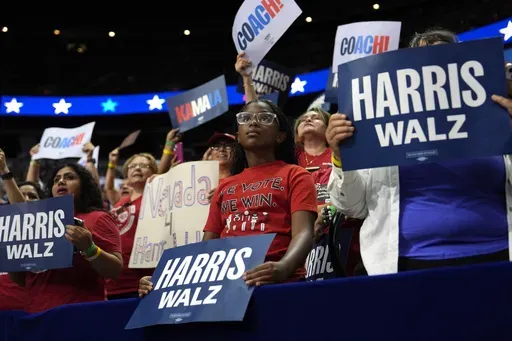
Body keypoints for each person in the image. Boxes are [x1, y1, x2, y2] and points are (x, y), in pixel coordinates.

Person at [326, 28, 512, 275]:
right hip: (408, 265)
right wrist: (341, 156)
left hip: (499, 255)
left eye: (444, 55)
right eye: (422, 56)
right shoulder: (378, 123)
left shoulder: (494, 115)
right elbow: (353, 207)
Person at [138, 99, 317, 296]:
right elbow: (207, 247)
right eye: (245, 118)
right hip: (227, 288)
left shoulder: (296, 175)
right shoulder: (225, 186)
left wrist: (284, 267)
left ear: (281, 136)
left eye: (265, 118)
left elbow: (304, 233)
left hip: (280, 284)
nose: (254, 122)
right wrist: (163, 279)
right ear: (238, 137)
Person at [8, 163, 122, 313]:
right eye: (56, 180)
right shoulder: (37, 223)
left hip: (80, 314)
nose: (61, 182)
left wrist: (90, 249)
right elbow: (25, 280)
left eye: (69, 177)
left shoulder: (99, 218)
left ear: (84, 186)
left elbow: (115, 270)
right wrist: (11, 254)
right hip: (36, 314)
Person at [106, 153, 158, 299]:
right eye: (133, 166)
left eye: (143, 165)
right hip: (114, 279)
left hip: (141, 281)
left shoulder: (157, 197)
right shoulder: (120, 203)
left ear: (154, 172)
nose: (137, 168)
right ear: (127, 174)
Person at [0, 180, 45, 310]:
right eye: (21, 194)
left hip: (34, 311)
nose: (27, 200)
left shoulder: (52, 233)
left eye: (32, 196)